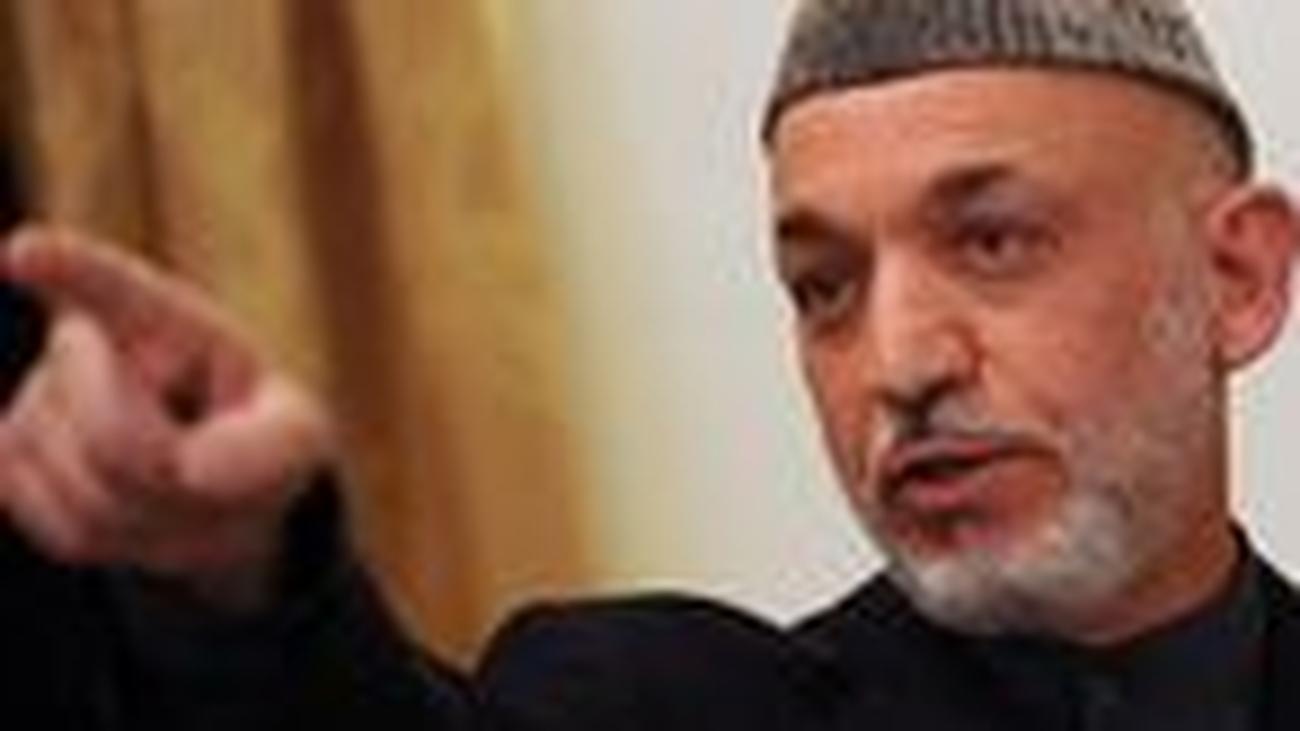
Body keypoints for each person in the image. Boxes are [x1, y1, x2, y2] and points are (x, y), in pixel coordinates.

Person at [3, 0, 1299, 728]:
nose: (898, 361)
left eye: (994, 241)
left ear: (1236, 280)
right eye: (824, 287)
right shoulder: (659, 704)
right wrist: (243, 569)